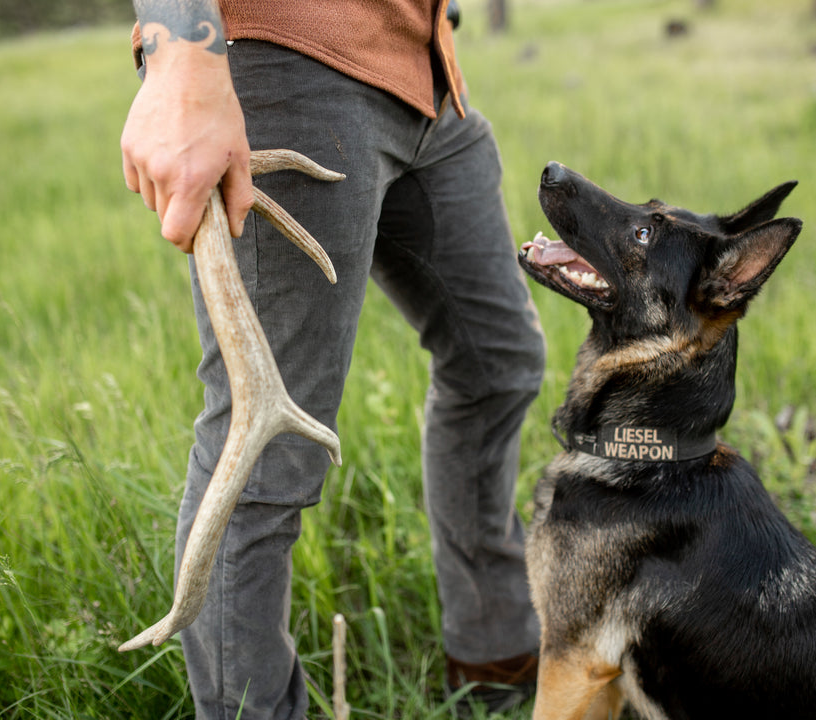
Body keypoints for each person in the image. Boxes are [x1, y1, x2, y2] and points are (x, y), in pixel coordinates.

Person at [120, 1, 545, 718]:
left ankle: (494, 655)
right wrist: (180, 60)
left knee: (497, 362)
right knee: (263, 449)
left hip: (425, 72)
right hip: (288, 63)